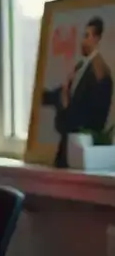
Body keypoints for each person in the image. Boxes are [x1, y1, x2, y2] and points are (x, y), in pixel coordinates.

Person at [41, 16, 112, 168]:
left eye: (87, 36)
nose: (83, 41)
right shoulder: (81, 66)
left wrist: (65, 107)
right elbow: (66, 93)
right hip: (67, 154)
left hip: (79, 159)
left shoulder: (100, 74)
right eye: (83, 36)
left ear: (97, 38)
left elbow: (93, 121)